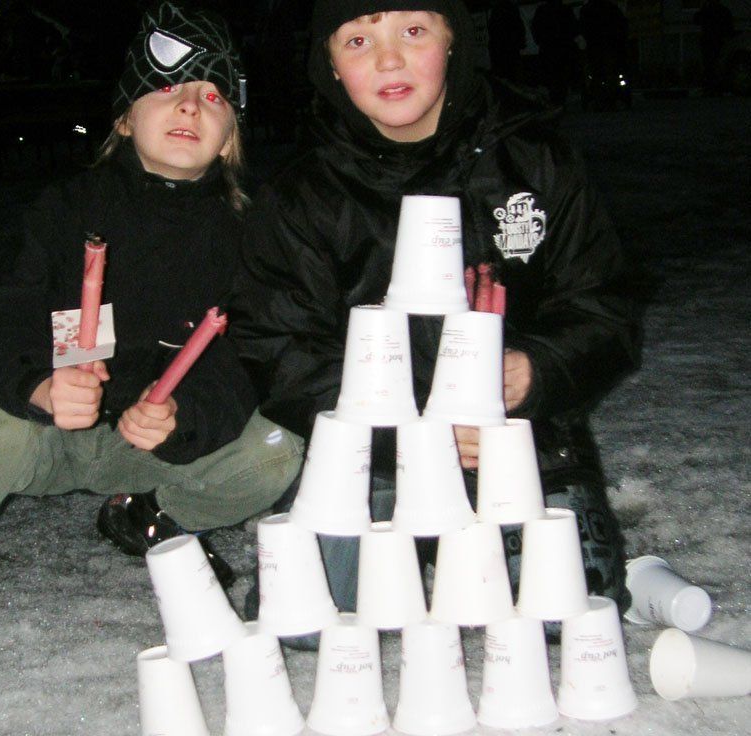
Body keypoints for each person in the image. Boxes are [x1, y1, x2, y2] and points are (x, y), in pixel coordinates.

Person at [0, 1, 302, 680]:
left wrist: (185, 416)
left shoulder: (247, 235)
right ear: (124, 118)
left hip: (157, 446)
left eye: (213, 97)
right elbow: (1, 310)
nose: (190, 105)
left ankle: (151, 517)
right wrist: (37, 384)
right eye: (167, 88)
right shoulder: (67, 210)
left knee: (277, 448)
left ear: (229, 139)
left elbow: (248, 354)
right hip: (50, 431)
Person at [229, 0, 641, 632]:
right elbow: (278, 345)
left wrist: (535, 371)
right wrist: (412, 429)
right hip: (372, 455)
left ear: (453, 42)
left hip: (512, 442)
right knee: (311, 625)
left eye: (414, 31)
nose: (389, 59)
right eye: (358, 41)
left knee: (566, 614)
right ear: (329, 66)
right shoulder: (303, 196)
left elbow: (603, 304)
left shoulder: (534, 161)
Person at [530, 0, 581, 104]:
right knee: (561, 76)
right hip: (563, 49)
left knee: (553, 76)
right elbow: (574, 29)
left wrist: (541, 41)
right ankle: (560, 99)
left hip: (549, 49)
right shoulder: (565, 10)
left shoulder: (542, 11)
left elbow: (535, 28)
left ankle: (555, 100)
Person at [694, 0, 735, 94]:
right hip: (718, 41)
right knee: (716, 64)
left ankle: (710, 86)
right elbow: (730, 27)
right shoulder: (723, 10)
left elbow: (696, 20)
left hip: (708, 41)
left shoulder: (707, 10)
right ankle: (716, 86)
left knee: (709, 64)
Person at [487, 0, 526, 83]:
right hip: (511, 49)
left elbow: (492, 30)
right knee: (513, 77)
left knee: (503, 78)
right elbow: (520, 28)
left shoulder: (496, 12)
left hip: (500, 50)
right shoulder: (512, 10)